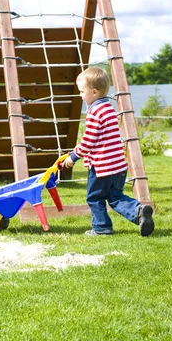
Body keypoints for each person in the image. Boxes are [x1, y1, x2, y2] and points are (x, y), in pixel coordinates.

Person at [62, 67, 154, 237]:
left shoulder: (94, 112)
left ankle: (102, 227)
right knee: (115, 196)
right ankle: (139, 211)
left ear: (94, 92)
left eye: (82, 92)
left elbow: (88, 141)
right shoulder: (108, 108)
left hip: (102, 168)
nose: (81, 96)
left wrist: (74, 156)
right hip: (118, 166)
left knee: (95, 198)